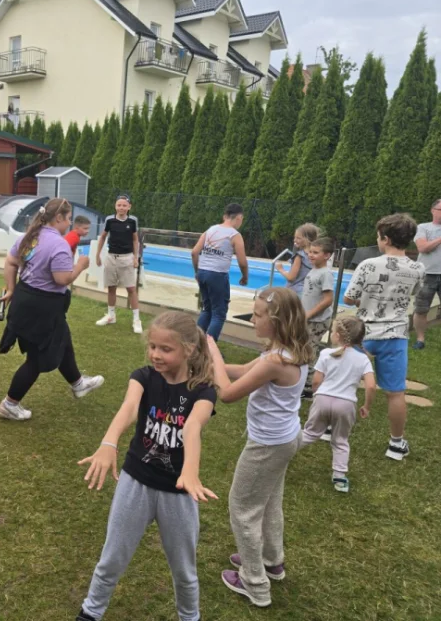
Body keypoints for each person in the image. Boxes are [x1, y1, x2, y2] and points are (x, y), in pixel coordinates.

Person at [75, 311, 217, 621]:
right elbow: (129, 408)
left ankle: (189, 616)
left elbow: (192, 426)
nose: (156, 354)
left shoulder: (203, 390)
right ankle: (90, 612)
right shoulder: (143, 377)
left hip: (178, 490)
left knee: (184, 570)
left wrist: (190, 471)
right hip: (135, 480)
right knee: (111, 559)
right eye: (152, 346)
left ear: (188, 350)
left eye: (166, 349)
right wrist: (109, 442)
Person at [205, 287, 313, 608]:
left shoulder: (276, 361)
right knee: (268, 502)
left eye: (257, 315)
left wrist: (213, 352)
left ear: (277, 321)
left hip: (267, 446)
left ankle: (254, 582)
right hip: (284, 439)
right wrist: (213, 366)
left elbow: (227, 394)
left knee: (243, 507)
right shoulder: (285, 352)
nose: (252, 320)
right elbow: (242, 372)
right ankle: (271, 560)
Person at [0, 198, 104, 421]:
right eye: (68, 218)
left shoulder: (30, 236)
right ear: (58, 218)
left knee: (62, 337)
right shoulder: (59, 244)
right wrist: (80, 266)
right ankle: (9, 404)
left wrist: (11, 288)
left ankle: (78, 384)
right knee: (37, 358)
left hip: (26, 301)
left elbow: (10, 261)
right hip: (42, 308)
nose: (70, 223)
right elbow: (62, 279)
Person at [343, 214, 425, 461]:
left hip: (362, 334)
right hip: (395, 337)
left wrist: (364, 301)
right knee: (395, 393)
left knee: (344, 383)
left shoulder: (368, 265)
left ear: (386, 239)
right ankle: (396, 445)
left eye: (378, 237)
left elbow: (349, 297)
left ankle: (330, 430)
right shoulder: (418, 268)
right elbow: (413, 293)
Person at [300, 316, 376, 493]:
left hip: (322, 399)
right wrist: (366, 406)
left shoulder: (326, 353)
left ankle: (282, 453)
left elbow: (316, 380)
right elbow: (371, 386)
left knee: (309, 433)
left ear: (338, 336)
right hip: (346, 404)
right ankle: (339, 478)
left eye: (333, 331)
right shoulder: (363, 359)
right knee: (340, 440)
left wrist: (317, 394)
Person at [191, 203, 248, 341]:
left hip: (203, 272)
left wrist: (197, 272)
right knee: (219, 314)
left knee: (207, 309)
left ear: (225, 216)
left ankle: (196, 344)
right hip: (217, 275)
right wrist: (245, 276)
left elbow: (194, 252)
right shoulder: (235, 235)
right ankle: (209, 349)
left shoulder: (210, 230)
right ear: (239, 218)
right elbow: (242, 262)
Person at [95, 196, 142, 334]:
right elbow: (103, 237)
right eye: (119, 205)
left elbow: (135, 240)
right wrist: (98, 255)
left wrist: (136, 257)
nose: (121, 207)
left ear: (129, 207)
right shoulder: (109, 220)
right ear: (115, 206)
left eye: (124, 205)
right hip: (111, 258)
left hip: (127, 258)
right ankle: (111, 316)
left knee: (131, 289)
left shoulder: (132, 221)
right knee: (111, 287)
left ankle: (136, 320)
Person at [300, 237, 335, 397]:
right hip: (308, 319)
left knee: (310, 352)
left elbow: (328, 300)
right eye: (310, 252)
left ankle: (308, 388)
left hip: (317, 321)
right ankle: (303, 382)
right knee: (305, 349)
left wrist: (309, 314)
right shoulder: (314, 270)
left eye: (315, 252)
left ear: (327, 255)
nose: (311, 255)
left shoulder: (325, 273)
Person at [412, 198, 441, 350]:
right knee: (421, 309)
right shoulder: (423, 227)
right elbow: (422, 248)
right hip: (427, 275)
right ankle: (420, 339)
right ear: (432, 210)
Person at [275, 223, 318, 295]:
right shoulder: (316, 256)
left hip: (295, 292)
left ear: (307, 239)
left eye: (298, 238)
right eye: (295, 237)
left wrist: (281, 269)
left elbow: (291, 277)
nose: (295, 240)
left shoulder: (300, 256)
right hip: (310, 292)